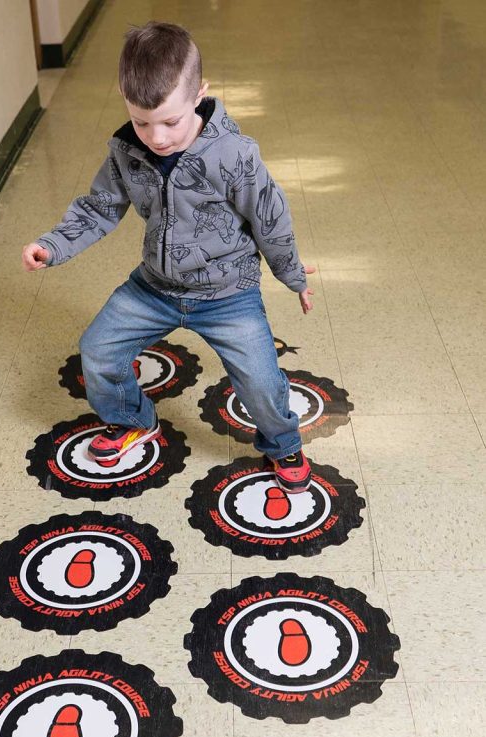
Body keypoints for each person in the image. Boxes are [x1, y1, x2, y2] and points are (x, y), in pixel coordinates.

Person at [22, 21, 315, 492]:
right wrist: (53, 245)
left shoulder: (234, 155)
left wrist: (293, 275)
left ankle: (283, 443)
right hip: (154, 287)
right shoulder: (126, 151)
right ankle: (133, 420)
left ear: (200, 93)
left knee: (260, 381)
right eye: (142, 122)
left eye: (170, 122)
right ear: (124, 98)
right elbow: (99, 207)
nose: (156, 138)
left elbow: (270, 217)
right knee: (97, 349)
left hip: (228, 293)